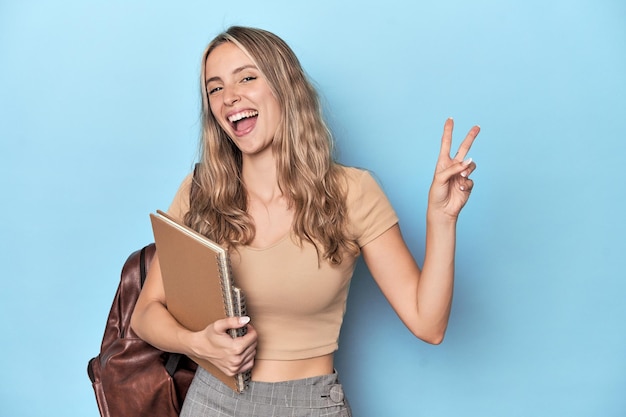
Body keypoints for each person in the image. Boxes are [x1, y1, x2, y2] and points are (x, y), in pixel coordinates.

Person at [131, 26, 479, 416]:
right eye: (215, 88)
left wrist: (442, 219)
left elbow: (428, 324)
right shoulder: (201, 193)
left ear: (285, 86)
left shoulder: (352, 192)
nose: (230, 97)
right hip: (212, 400)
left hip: (310, 404)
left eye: (247, 77)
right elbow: (146, 314)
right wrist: (196, 344)